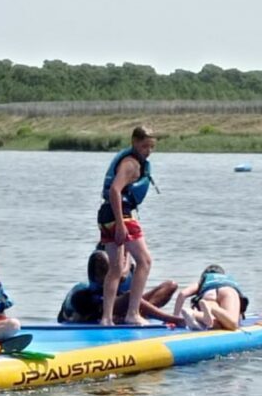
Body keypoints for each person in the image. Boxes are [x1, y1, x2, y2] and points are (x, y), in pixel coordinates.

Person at [98, 126, 157, 326]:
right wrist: (121, 226)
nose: (147, 150)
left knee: (115, 269)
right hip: (119, 215)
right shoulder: (131, 164)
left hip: (105, 216)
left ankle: (106, 318)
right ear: (134, 142)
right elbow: (115, 190)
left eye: (151, 146)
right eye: (144, 146)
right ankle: (132, 313)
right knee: (145, 261)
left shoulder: (132, 161)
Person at [58, 249, 178, 324]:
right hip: (97, 309)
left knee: (170, 286)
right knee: (129, 297)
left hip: (122, 308)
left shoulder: (125, 273)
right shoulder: (82, 294)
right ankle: (174, 319)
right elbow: (68, 317)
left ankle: (135, 314)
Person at [172, 264, 249, 331]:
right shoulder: (226, 280)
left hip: (208, 293)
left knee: (218, 324)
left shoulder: (203, 281)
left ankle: (194, 313)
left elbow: (182, 294)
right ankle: (210, 308)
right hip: (227, 291)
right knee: (232, 324)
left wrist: (175, 318)